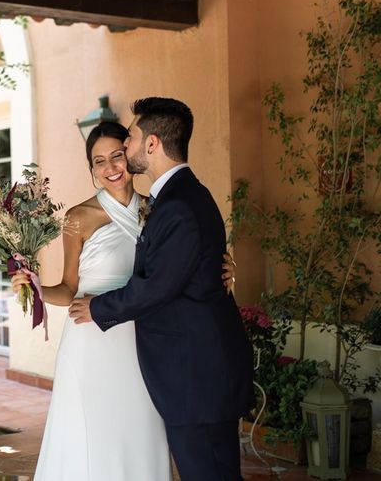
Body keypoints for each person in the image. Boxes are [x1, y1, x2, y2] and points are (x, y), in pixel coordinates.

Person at [12, 120, 234, 481]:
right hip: (92, 339)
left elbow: (180, 265)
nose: (111, 168)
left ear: (130, 157)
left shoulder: (159, 210)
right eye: (99, 162)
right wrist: (36, 287)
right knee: (94, 435)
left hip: (146, 340)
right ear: (92, 169)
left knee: (140, 428)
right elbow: (69, 288)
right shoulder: (78, 218)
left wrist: (224, 268)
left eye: (117, 156)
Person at [69, 98, 254, 481]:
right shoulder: (178, 197)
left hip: (195, 375)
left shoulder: (176, 206)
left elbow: (158, 286)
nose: (127, 148)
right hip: (196, 370)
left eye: (132, 138)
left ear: (152, 144)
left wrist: (98, 308)